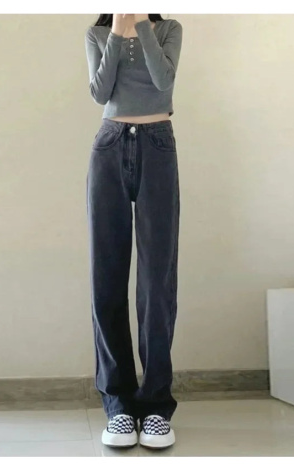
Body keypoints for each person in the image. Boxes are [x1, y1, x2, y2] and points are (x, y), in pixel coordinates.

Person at [84, 13, 183, 449]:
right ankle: (118, 405)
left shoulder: (169, 30)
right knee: (106, 278)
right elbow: (100, 92)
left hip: (158, 145)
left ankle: (156, 406)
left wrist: (140, 26)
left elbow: (163, 82)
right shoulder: (96, 34)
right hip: (108, 146)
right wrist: (117, 33)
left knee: (157, 282)